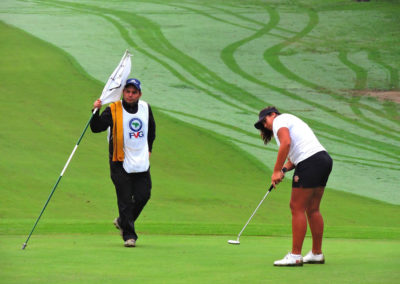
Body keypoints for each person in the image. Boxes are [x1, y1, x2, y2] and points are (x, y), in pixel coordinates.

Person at [254, 106, 332, 266]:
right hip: (323, 160)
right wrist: (283, 170)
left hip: (310, 162)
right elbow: (295, 157)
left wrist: (276, 170)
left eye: (264, 121)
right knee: (312, 209)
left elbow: (286, 143)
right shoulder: (292, 121)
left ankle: (295, 255)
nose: (265, 126)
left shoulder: (279, 121)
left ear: (272, 114)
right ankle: (316, 253)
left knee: (296, 207)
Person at [90, 78, 156, 247]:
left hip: (140, 159)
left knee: (143, 195)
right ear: (123, 93)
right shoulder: (113, 109)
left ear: (139, 94)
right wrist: (95, 111)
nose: (130, 95)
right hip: (119, 160)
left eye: (134, 92)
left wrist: (149, 149)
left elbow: (151, 130)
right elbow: (96, 127)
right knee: (125, 198)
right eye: (127, 91)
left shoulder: (145, 108)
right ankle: (129, 235)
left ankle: (122, 221)